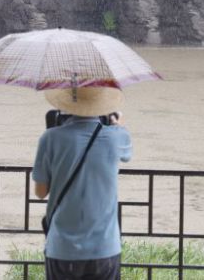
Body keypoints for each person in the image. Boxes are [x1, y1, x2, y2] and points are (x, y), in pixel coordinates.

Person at [32, 86, 132, 280]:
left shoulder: (50, 138)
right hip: (105, 248)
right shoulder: (116, 137)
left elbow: (40, 192)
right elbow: (126, 154)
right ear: (103, 105)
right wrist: (117, 125)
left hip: (62, 249)